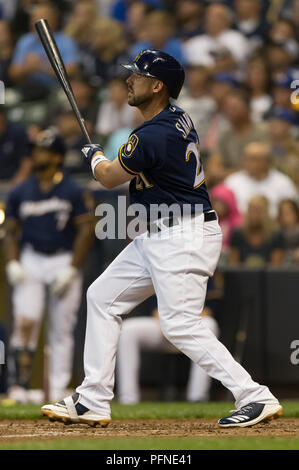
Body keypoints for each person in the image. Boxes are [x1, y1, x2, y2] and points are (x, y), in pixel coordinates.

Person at [41, 49, 282, 428]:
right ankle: (93, 399)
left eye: (137, 76)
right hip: (158, 232)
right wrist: (102, 156)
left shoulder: (152, 134)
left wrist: (93, 156)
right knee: (101, 297)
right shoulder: (175, 118)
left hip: (182, 233)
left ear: (158, 86)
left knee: (179, 324)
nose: (128, 81)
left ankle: (255, 396)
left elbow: (106, 177)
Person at [4, 128, 95, 403]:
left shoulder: (72, 189)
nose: (37, 154)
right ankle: (18, 385)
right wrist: (12, 262)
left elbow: (86, 229)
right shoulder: (21, 190)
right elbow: (9, 230)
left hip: (62, 258)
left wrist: (72, 267)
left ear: (57, 157)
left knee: (62, 327)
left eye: (43, 150)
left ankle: (57, 388)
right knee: (25, 320)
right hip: (31, 257)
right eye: (36, 150)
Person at [116, 305, 219, 404]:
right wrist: (167, 325)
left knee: (210, 324)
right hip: (162, 324)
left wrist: (182, 325)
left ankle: (198, 398)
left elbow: (208, 310)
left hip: (193, 326)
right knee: (127, 330)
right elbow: (155, 307)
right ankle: (128, 399)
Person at [8, 4, 79, 100]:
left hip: (58, 89)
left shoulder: (65, 41)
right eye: (34, 18)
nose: (35, 22)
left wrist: (42, 66)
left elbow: (72, 71)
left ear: (54, 20)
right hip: (30, 89)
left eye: (40, 18)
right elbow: (13, 73)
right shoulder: (25, 41)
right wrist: (27, 68)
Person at [225, 141, 298, 217]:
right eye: (246, 159)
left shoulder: (283, 182)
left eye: (254, 159)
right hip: (240, 226)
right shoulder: (232, 182)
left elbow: (291, 212)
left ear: (267, 161)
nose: (248, 163)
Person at [229, 194, 285, 267]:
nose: (254, 214)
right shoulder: (238, 234)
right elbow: (234, 267)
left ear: (266, 213)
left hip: (268, 277)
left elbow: (275, 269)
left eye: (259, 210)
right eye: (251, 210)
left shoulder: (276, 236)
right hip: (242, 277)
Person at [278, 199, 299, 265]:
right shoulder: (277, 235)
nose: (285, 217)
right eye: (283, 213)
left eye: (288, 213)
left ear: (296, 213)